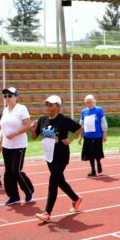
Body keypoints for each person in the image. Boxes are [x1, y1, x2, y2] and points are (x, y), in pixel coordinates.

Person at [31, 95, 83, 223]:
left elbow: (80, 128)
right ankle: (76, 199)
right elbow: (34, 137)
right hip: (49, 156)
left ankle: (47, 213)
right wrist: (32, 130)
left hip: (61, 155)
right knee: (60, 181)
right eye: (47, 104)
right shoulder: (42, 120)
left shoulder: (64, 120)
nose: (48, 107)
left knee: (53, 182)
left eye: (51, 104)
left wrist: (70, 139)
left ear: (58, 107)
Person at [0, 86, 35, 206]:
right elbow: (3, 127)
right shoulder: (5, 110)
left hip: (19, 145)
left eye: (9, 95)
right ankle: (13, 196)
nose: (7, 98)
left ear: (16, 97)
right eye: (5, 96)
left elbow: (27, 125)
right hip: (7, 145)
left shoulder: (21, 108)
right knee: (8, 172)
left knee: (16, 171)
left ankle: (28, 191)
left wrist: (15, 133)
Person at [79, 94, 108, 177]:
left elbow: (104, 123)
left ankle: (98, 163)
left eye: (90, 102)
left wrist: (104, 134)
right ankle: (93, 170)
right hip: (87, 136)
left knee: (97, 152)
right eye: (87, 103)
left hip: (98, 136)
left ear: (94, 102)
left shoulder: (99, 110)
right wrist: (80, 137)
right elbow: (81, 124)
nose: (88, 104)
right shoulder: (84, 111)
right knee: (90, 154)